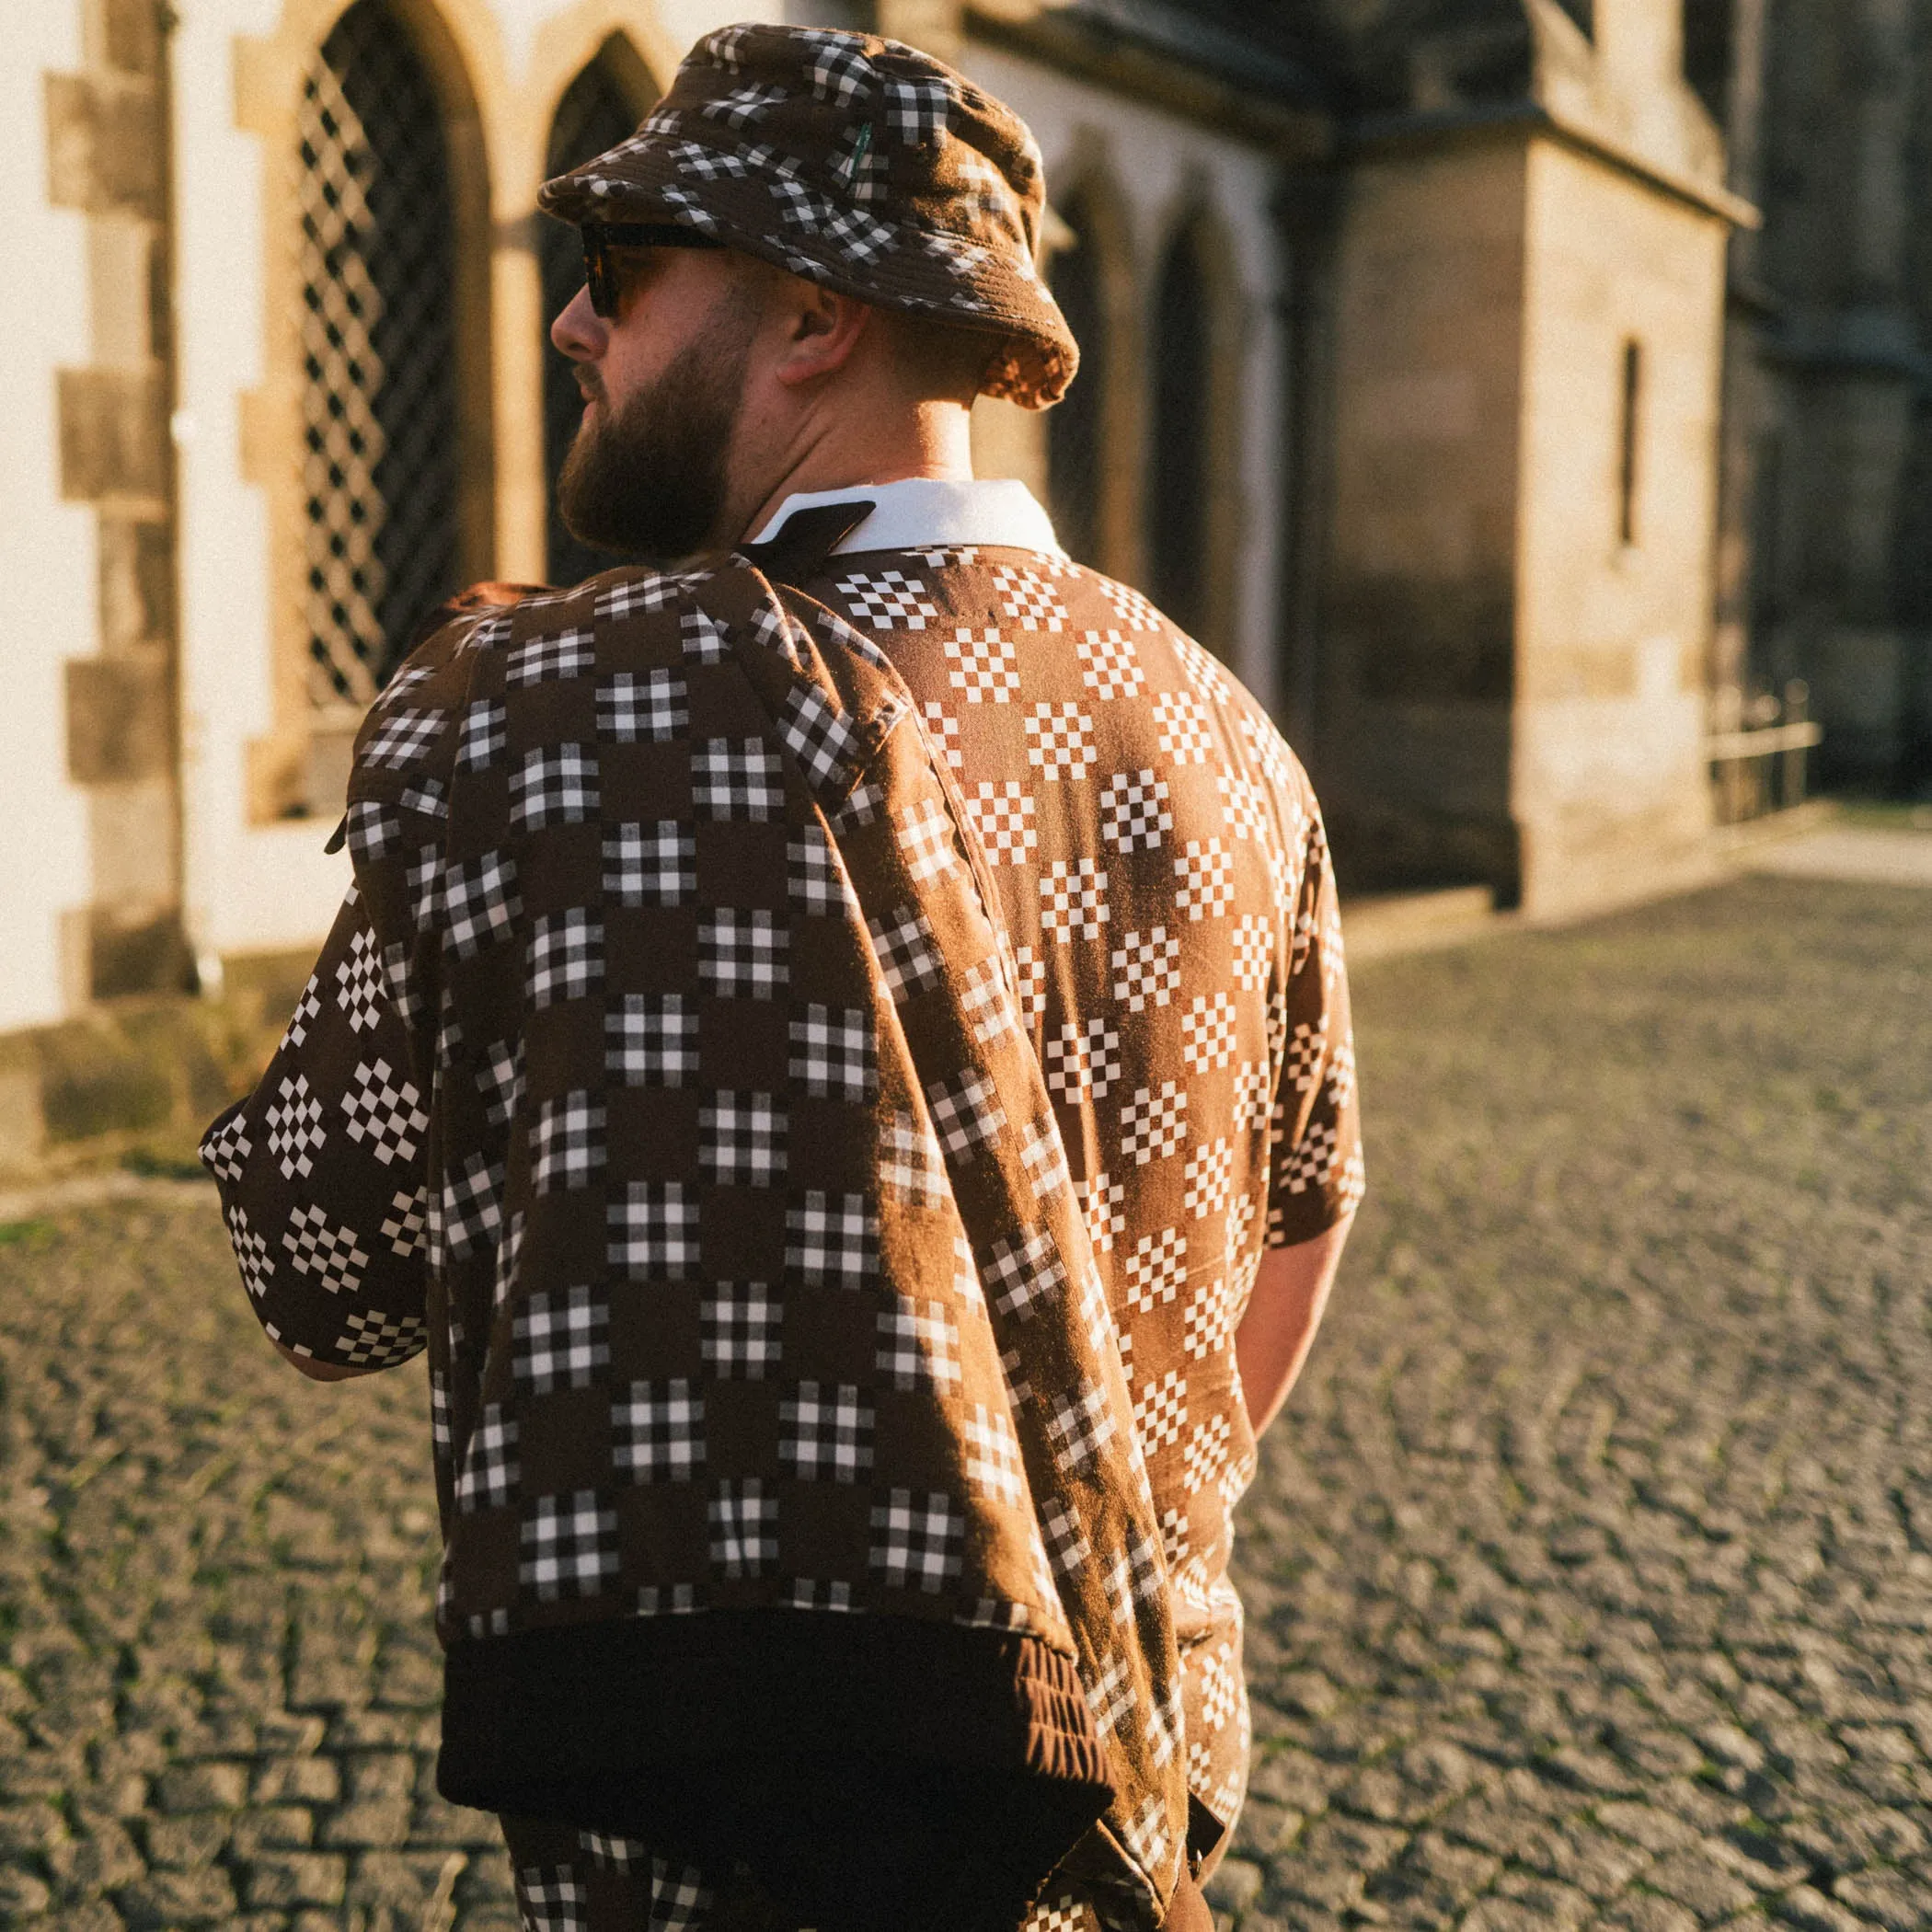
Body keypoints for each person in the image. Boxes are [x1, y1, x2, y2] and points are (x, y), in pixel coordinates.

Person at [201, 23, 1360, 1932]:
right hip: (1118, 1799)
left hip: (705, 1836)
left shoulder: (553, 711)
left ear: (813, 315)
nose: (574, 327)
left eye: (622, 274)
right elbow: (1295, 1222)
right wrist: (1072, 1517)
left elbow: (314, 1262)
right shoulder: (1230, 738)